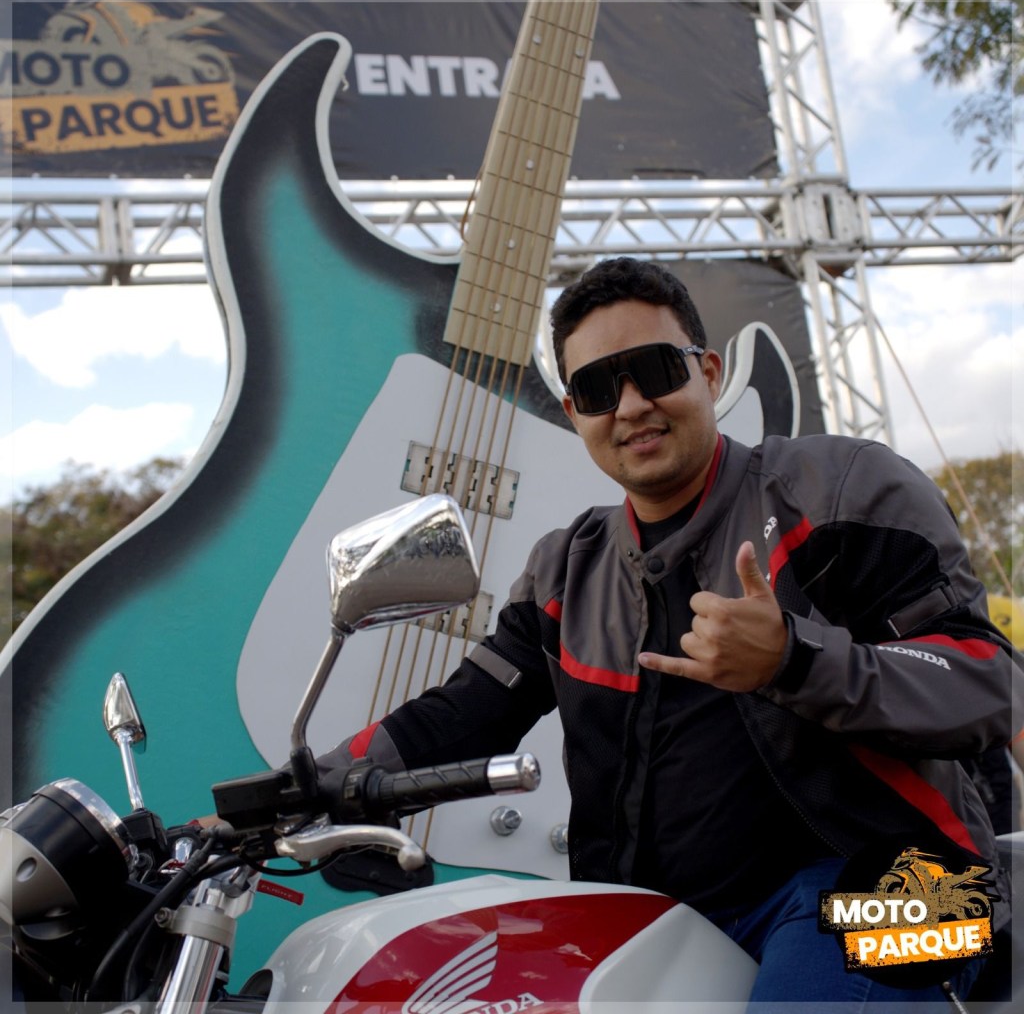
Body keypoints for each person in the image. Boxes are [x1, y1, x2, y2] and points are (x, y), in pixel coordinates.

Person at [318, 257, 1021, 1008]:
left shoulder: (841, 485)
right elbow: (464, 711)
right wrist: (307, 787)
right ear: (574, 413)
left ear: (708, 373)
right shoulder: (567, 571)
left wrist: (795, 659)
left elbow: (992, 683)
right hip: (666, 916)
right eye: (597, 389)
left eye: (654, 369)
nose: (630, 405)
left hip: (925, 891)